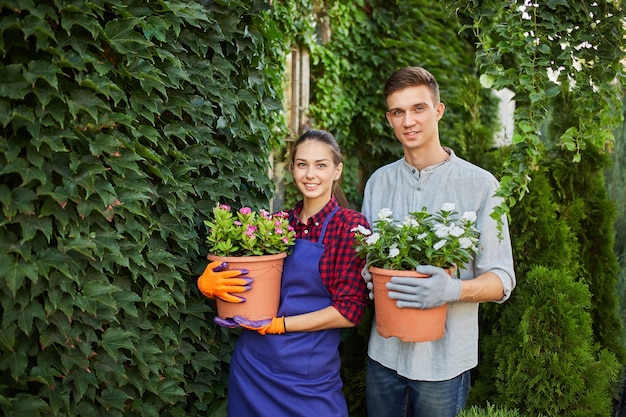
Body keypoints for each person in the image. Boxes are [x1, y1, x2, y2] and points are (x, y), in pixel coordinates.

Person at [361, 66, 516, 417]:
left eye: (418, 108)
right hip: (383, 356)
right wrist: (369, 275)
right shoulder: (378, 182)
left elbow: (502, 279)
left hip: (443, 365)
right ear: (389, 119)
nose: (408, 121)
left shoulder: (481, 185)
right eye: (398, 112)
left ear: (438, 110)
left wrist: (453, 290)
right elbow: (369, 257)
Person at [197, 129, 370, 417]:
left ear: (337, 171)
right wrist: (208, 281)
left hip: (309, 378)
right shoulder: (278, 225)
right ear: (292, 169)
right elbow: (246, 279)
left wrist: (281, 325)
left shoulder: (348, 226)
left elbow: (348, 313)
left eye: (321, 165)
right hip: (254, 366)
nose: (310, 174)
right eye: (302, 164)